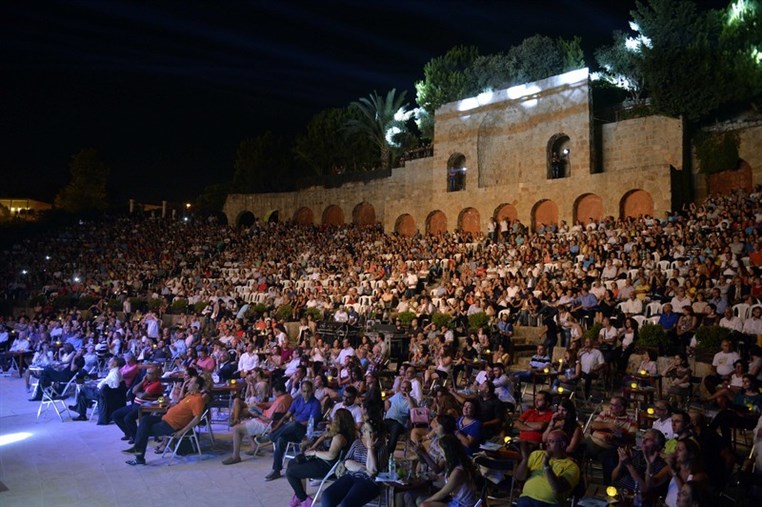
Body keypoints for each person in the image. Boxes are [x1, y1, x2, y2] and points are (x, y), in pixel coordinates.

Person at [123, 375, 206, 466]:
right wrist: (183, 386)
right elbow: (179, 400)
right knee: (144, 419)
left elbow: (197, 418)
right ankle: (138, 451)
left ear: (197, 386)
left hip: (171, 425)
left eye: (191, 382)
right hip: (165, 418)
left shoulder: (198, 399)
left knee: (143, 431)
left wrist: (182, 431)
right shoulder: (189, 395)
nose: (188, 383)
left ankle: (138, 455)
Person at [286, 408, 357, 507]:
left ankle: (304, 499)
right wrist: (314, 446)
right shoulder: (348, 433)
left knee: (290, 472)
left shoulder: (339, 438)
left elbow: (330, 455)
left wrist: (314, 452)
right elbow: (324, 435)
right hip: (325, 462)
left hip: (327, 467)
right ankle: (299, 494)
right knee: (292, 462)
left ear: (338, 421)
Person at [223, 380, 292, 465]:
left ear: (279, 391)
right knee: (244, 422)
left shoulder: (279, 402)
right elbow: (272, 408)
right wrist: (262, 406)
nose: (273, 393)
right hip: (274, 421)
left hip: (267, 425)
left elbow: (268, 419)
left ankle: (235, 456)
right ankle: (254, 447)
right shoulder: (288, 397)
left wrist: (256, 414)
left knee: (236, 428)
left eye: (274, 392)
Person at [265, 380, 322, 481]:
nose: (306, 394)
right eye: (304, 391)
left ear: (312, 391)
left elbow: (310, 422)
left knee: (294, 424)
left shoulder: (315, 403)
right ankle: (276, 470)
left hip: (305, 432)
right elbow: (286, 416)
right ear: (301, 390)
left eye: (308, 391)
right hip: (293, 429)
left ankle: (272, 436)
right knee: (281, 439)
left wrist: (295, 424)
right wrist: (276, 427)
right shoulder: (298, 401)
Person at [321, 421, 383, 507]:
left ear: (374, 433)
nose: (363, 431)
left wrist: (370, 448)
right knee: (326, 496)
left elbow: (373, 471)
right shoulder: (357, 442)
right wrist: (364, 469)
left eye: (367, 430)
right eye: (363, 428)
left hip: (369, 482)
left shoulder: (380, 447)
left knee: (346, 504)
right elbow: (347, 463)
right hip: (351, 475)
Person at [515, 429, 580, 507]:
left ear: (562, 444)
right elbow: (519, 478)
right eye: (547, 441)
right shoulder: (537, 454)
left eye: (551, 441)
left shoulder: (571, 466)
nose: (547, 444)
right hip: (527, 498)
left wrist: (546, 465)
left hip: (550, 503)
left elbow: (557, 488)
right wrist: (525, 459)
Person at [586, 396, 637, 484]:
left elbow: (631, 437)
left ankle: (608, 486)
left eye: (613, 405)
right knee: (576, 449)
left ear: (621, 408)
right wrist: (608, 425)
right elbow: (593, 425)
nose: (610, 407)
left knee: (610, 459)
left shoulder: (631, 421)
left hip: (610, 448)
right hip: (592, 443)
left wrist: (616, 435)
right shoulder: (605, 413)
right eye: (610, 404)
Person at [420, 434, 480, 507]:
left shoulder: (458, 471)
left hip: (462, 504)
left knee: (424, 505)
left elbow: (443, 493)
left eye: (442, 451)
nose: (441, 454)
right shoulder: (455, 463)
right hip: (455, 501)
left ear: (449, 452)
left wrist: (425, 502)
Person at [612, 429, 670, 503]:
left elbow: (644, 490)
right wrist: (620, 463)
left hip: (636, 500)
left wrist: (629, 465)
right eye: (643, 438)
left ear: (658, 446)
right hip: (617, 493)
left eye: (648, 439)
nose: (643, 441)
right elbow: (613, 478)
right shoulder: (635, 455)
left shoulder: (661, 466)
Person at [112, 365, 165, 444]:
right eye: (146, 373)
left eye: (150, 373)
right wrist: (142, 382)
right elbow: (134, 391)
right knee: (115, 415)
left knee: (128, 418)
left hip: (145, 406)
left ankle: (136, 437)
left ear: (156, 375)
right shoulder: (146, 381)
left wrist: (138, 393)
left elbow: (142, 396)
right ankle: (128, 433)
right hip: (136, 404)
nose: (147, 375)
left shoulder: (156, 384)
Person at [70, 356, 123, 421]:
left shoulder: (115, 373)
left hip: (102, 394)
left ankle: (80, 410)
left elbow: (115, 385)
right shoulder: (114, 371)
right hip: (102, 391)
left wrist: (104, 385)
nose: (108, 363)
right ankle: (81, 411)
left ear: (114, 363)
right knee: (83, 393)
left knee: (83, 390)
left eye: (109, 362)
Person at [664, 439, 708, 507]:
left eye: (680, 450)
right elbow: (652, 483)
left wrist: (673, 471)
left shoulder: (698, 476)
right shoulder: (673, 469)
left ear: (691, 455)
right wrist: (650, 464)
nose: (675, 452)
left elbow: (683, 493)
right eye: (675, 449)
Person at [383, 379, 417, 456]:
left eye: (406, 388)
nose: (404, 390)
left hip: (399, 423)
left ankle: (389, 454)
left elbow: (413, 411)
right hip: (387, 419)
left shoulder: (413, 400)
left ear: (410, 389)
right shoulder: (397, 395)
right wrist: (386, 402)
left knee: (395, 430)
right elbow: (388, 401)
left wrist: (409, 398)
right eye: (402, 387)